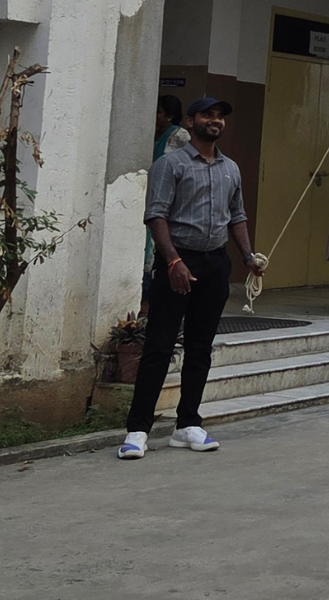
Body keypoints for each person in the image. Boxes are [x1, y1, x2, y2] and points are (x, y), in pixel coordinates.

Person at [118, 97, 266, 460]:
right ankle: (138, 430)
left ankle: (187, 425)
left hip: (215, 264)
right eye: (207, 115)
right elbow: (156, 215)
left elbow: (237, 216)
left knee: (200, 348)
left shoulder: (231, 168)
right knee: (159, 346)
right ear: (190, 121)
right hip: (177, 262)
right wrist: (173, 262)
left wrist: (248, 256)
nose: (215, 121)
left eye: (220, 116)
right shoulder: (170, 165)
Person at [142, 95, 192, 304]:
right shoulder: (152, 133)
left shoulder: (179, 136)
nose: (155, 116)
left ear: (170, 116)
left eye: (159, 112)